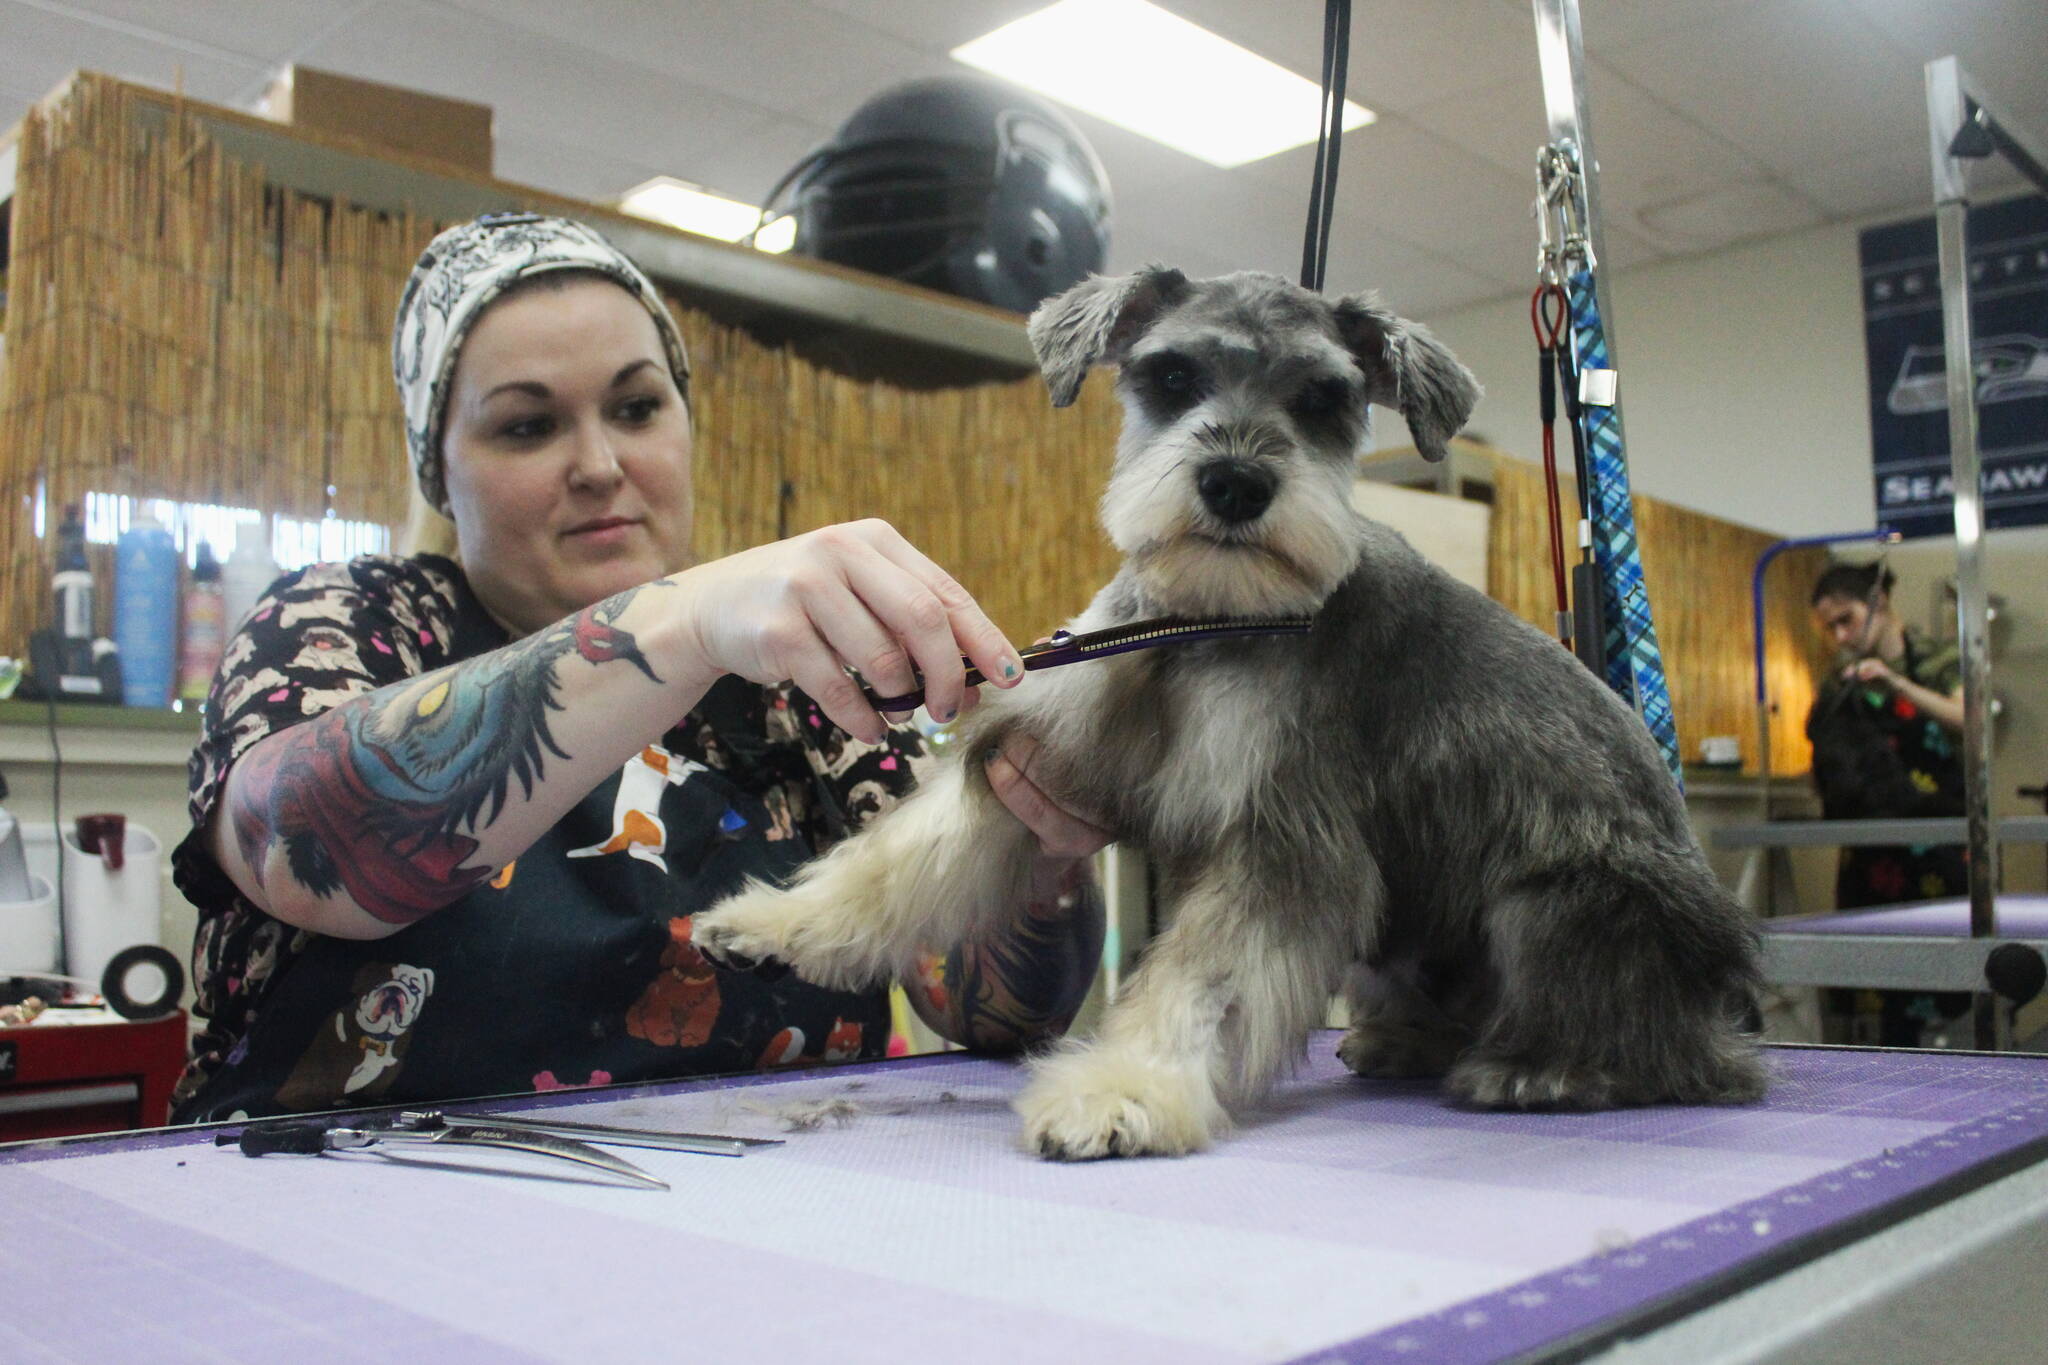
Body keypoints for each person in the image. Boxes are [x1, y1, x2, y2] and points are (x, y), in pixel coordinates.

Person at [169, 213, 1107, 1122]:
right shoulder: (348, 621)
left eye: (636, 407)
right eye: (528, 426)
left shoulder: (803, 691)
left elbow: (991, 1012)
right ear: (439, 473)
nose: (600, 464)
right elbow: (298, 843)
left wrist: (1034, 849)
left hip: (771, 1225)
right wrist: (679, 623)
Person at [1805, 560, 1967, 1045]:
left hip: (1938, 845)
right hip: (1870, 852)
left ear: (1880, 605)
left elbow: (1968, 720)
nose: (1840, 637)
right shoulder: (1838, 683)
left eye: (1847, 619)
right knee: (1874, 978)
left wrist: (1896, 685)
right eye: (1829, 628)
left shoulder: (1939, 660)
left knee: (1947, 969)